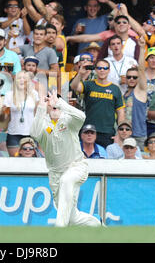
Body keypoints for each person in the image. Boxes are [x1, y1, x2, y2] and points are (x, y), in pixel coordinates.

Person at [29, 89, 101, 227]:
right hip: (55, 174)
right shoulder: (43, 123)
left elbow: (81, 116)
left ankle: (59, 230)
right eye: (50, 102)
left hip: (77, 167)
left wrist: (61, 103)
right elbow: (34, 134)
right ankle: (98, 225)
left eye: (55, 101)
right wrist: (41, 108)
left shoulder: (69, 121)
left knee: (66, 180)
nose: (53, 104)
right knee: (73, 218)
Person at [70, 59, 125, 148]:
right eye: (99, 68)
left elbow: (121, 112)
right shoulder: (89, 84)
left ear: (109, 70)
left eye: (105, 68)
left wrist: (119, 133)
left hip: (107, 132)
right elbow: (74, 86)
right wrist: (80, 73)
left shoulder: (115, 89)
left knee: (105, 159)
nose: (102, 70)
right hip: (88, 130)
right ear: (95, 70)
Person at [0, 71, 39, 157]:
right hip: (14, 132)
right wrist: (3, 111)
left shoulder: (34, 94)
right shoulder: (9, 95)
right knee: (15, 162)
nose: (21, 80)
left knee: (31, 161)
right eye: (19, 78)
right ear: (15, 81)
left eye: (24, 78)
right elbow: (5, 116)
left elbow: (37, 114)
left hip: (31, 132)